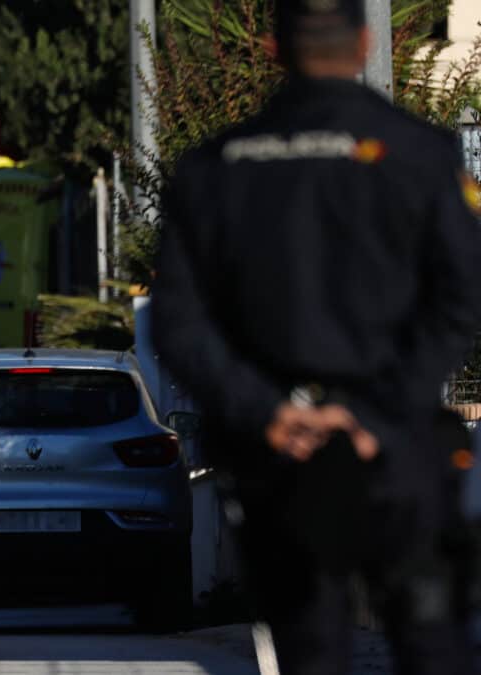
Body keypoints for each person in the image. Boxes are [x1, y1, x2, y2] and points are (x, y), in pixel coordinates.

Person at [150, 1, 481, 673]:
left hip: (279, 460)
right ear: (364, 44)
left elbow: (178, 322)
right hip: (396, 451)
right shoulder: (419, 152)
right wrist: (380, 408)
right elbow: (461, 296)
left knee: (310, 649)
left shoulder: (214, 168)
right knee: (430, 642)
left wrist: (268, 410)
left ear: (272, 49)